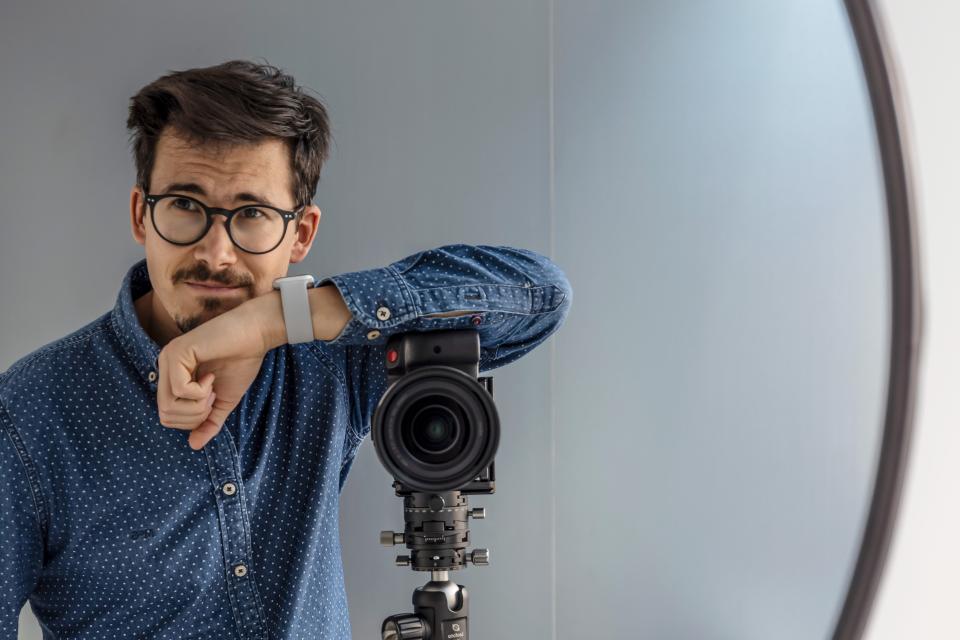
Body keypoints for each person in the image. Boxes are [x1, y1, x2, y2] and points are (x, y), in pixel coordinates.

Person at [0, 59, 572, 639]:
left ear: (301, 234)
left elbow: (540, 295)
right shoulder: (28, 413)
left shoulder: (330, 360)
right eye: (185, 205)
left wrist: (275, 322)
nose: (216, 253)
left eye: (251, 214)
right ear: (140, 215)